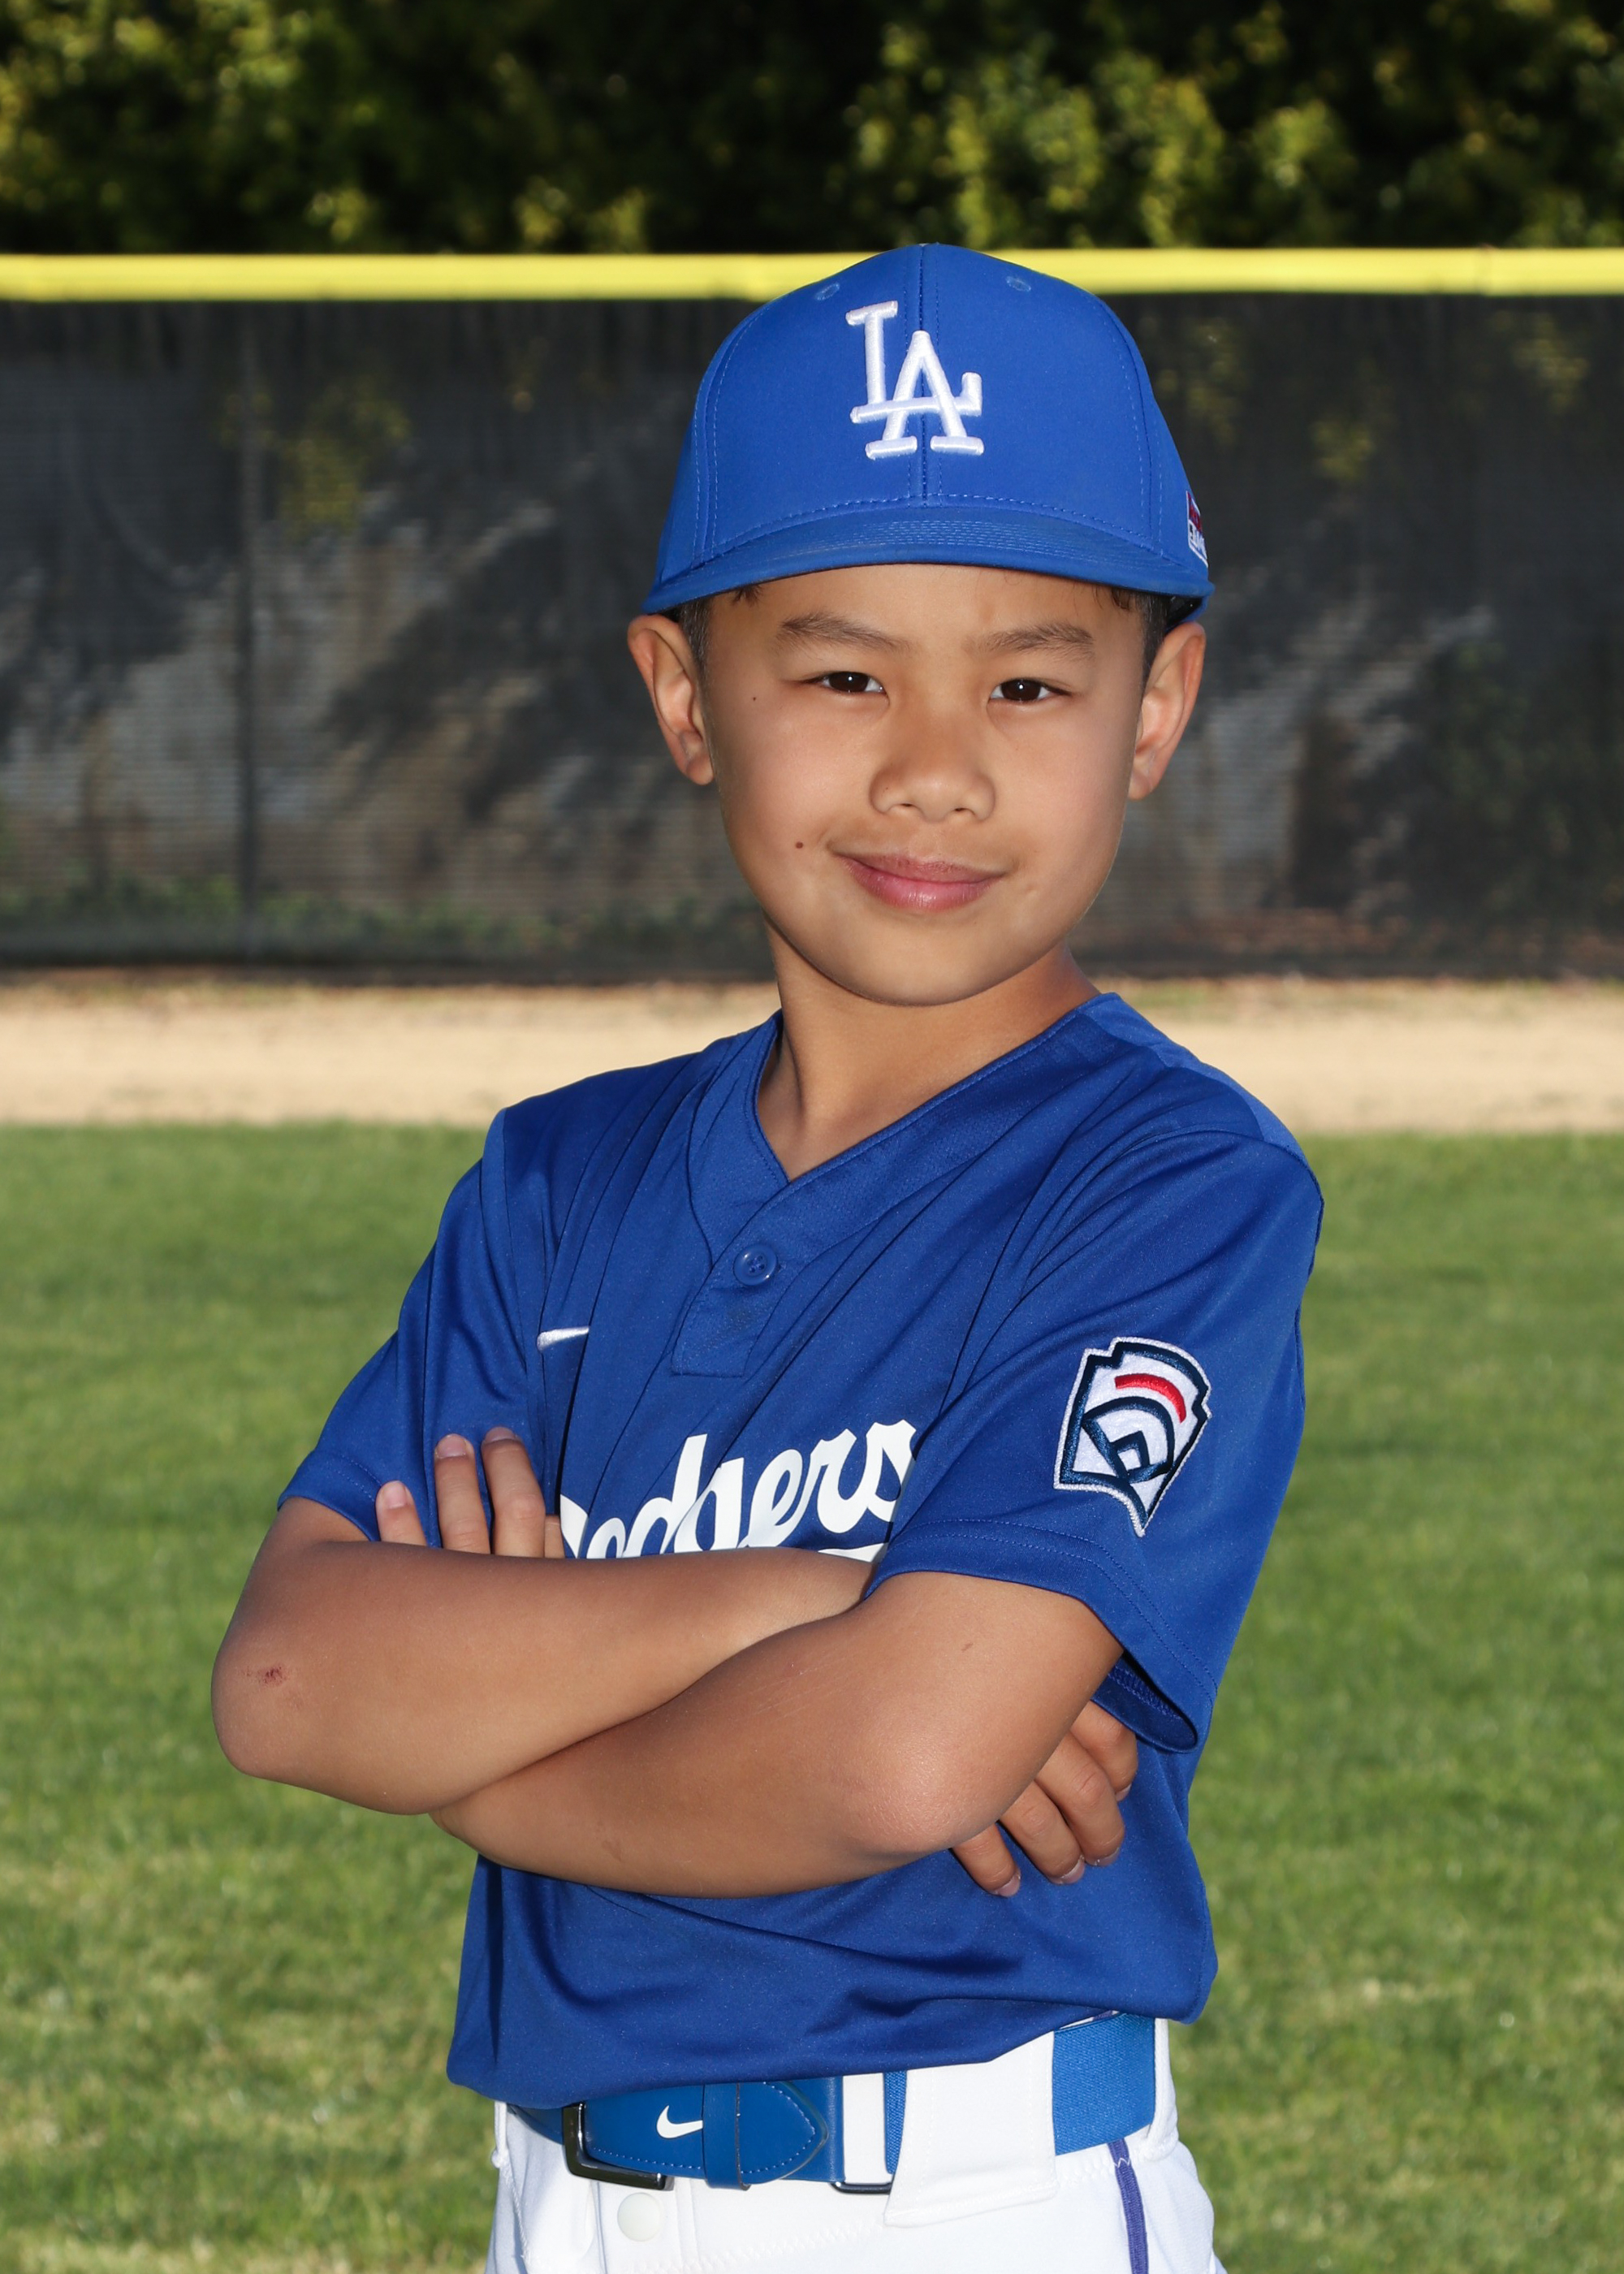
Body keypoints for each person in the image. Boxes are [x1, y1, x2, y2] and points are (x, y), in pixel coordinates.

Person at [214, 244, 1321, 2274]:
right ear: (683, 695)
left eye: (1027, 680)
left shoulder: (1168, 1180)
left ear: (1154, 707)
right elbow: (292, 1682)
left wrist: (484, 1749)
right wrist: (809, 1597)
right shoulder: (556, 1183)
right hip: (562, 2205)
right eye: (841, 673)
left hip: (975, 2202)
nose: (932, 765)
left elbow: (904, 1749)